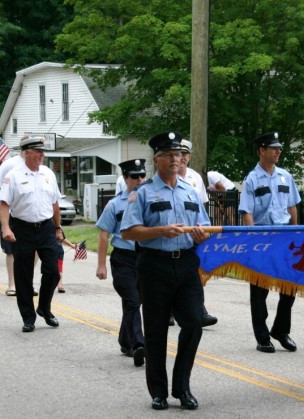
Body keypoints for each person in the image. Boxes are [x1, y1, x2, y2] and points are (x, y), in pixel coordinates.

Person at [120, 131, 211, 411]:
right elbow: (128, 232)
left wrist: (200, 235)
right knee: (157, 330)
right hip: (155, 265)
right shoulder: (142, 193)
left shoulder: (191, 191)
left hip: (186, 263)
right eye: (169, 155)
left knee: (194, 323)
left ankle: (182, 387)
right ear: (156, 160)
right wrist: (160, 231)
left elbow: (205, 227)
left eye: (179, 155)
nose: (176, 160)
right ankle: (158, 392)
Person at [238, 131, 301, 353]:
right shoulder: (252, 179)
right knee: (260, 290)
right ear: (262, 151)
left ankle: (281, 331)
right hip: (262, 238)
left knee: (289, 286)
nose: (278, 151)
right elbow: (247, 212)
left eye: (279, 148)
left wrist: (296, 233)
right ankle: (263, 337)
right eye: (273, 148)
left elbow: (292, 206)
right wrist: (253, 240)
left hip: (285, 238)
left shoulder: (286, 176)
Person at [0, 136, 63, 333]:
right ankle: (28, 317)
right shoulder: (14, 176)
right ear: (27, 153)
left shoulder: (48, 174)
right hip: (22, 228)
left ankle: (44, 307)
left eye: (43, 152)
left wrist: (58, 227)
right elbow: (4, 204)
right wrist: (6, 228)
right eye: (38, 151)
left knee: (53, 270)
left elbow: (55, 203)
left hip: (45, 228)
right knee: (24, 274)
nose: (42, 155)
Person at [96, 158, 147, 368]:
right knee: (133, 300)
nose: (139, 180)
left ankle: (124, 340)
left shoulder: (150, 200)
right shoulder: (115, 204)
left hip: (145, 257)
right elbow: (103, 235)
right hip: (123, 259)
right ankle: (138, 345)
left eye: (142, 175)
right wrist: (101, 265)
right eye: (134, 176)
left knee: (136, 301)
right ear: (125, 179)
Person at [178, 139, 217, 328]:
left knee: (194, 273)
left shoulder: (195, 178)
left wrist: (204, 231)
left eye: (185, 154)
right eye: (179, 154)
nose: (182, 157)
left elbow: (202, 206)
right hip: (172, 236)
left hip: (193, 236)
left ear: (189, 157)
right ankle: (169, 311)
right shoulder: (163, 178)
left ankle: (200, 311)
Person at [0, 143, 33, 297]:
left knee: (34, 251)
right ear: (26, 149)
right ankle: (12, 284)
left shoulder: (38, 167)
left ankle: (28, 282)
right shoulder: (9, 165)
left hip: (32, 215)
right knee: (12, 250)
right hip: (11, 215)